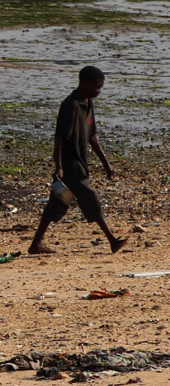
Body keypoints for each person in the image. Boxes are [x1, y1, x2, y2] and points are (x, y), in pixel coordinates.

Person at [29, 65, 126, 255]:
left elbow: (92, 136)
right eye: (97, 86)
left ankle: (36, 244)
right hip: (71, 165)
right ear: (84, 84)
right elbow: (60, 138)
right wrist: (58, 166)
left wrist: (106, 164)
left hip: (81, 162)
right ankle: (113, 241)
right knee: (91, 199)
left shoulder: (89, 104)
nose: (99, 91)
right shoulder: (71, 105)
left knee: (57, 203)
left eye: (101, 87)